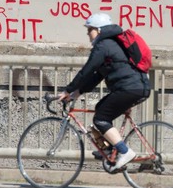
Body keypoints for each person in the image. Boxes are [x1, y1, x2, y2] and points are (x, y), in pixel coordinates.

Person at [58, 13, 150, 172]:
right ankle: (110, 151)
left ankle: (124, 151)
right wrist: (78, 92)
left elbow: (87, 70)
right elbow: (98, 75)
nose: (88, 34)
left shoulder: (103, 46)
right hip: (137, 87)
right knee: (101, 108)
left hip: (128, 88)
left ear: (99, 30)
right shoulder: (114, 44)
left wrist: (68, 89)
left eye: (90, 30)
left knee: (101, 118)